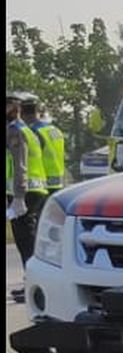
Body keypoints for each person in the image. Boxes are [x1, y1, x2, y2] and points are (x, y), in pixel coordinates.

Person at [7, 92, 48, 303]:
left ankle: (34, 284)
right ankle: (32, 283)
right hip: (34, 190)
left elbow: (20, 165)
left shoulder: (15, 131)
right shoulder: (27, 130)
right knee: (27, 239)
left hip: (24, 192)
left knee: (25, 241)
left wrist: (18, 196)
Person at [21, 95, 66, 194]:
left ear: (22, 113)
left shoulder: (32, 132)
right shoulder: (55, 130)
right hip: (59, 184)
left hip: (41, 185)